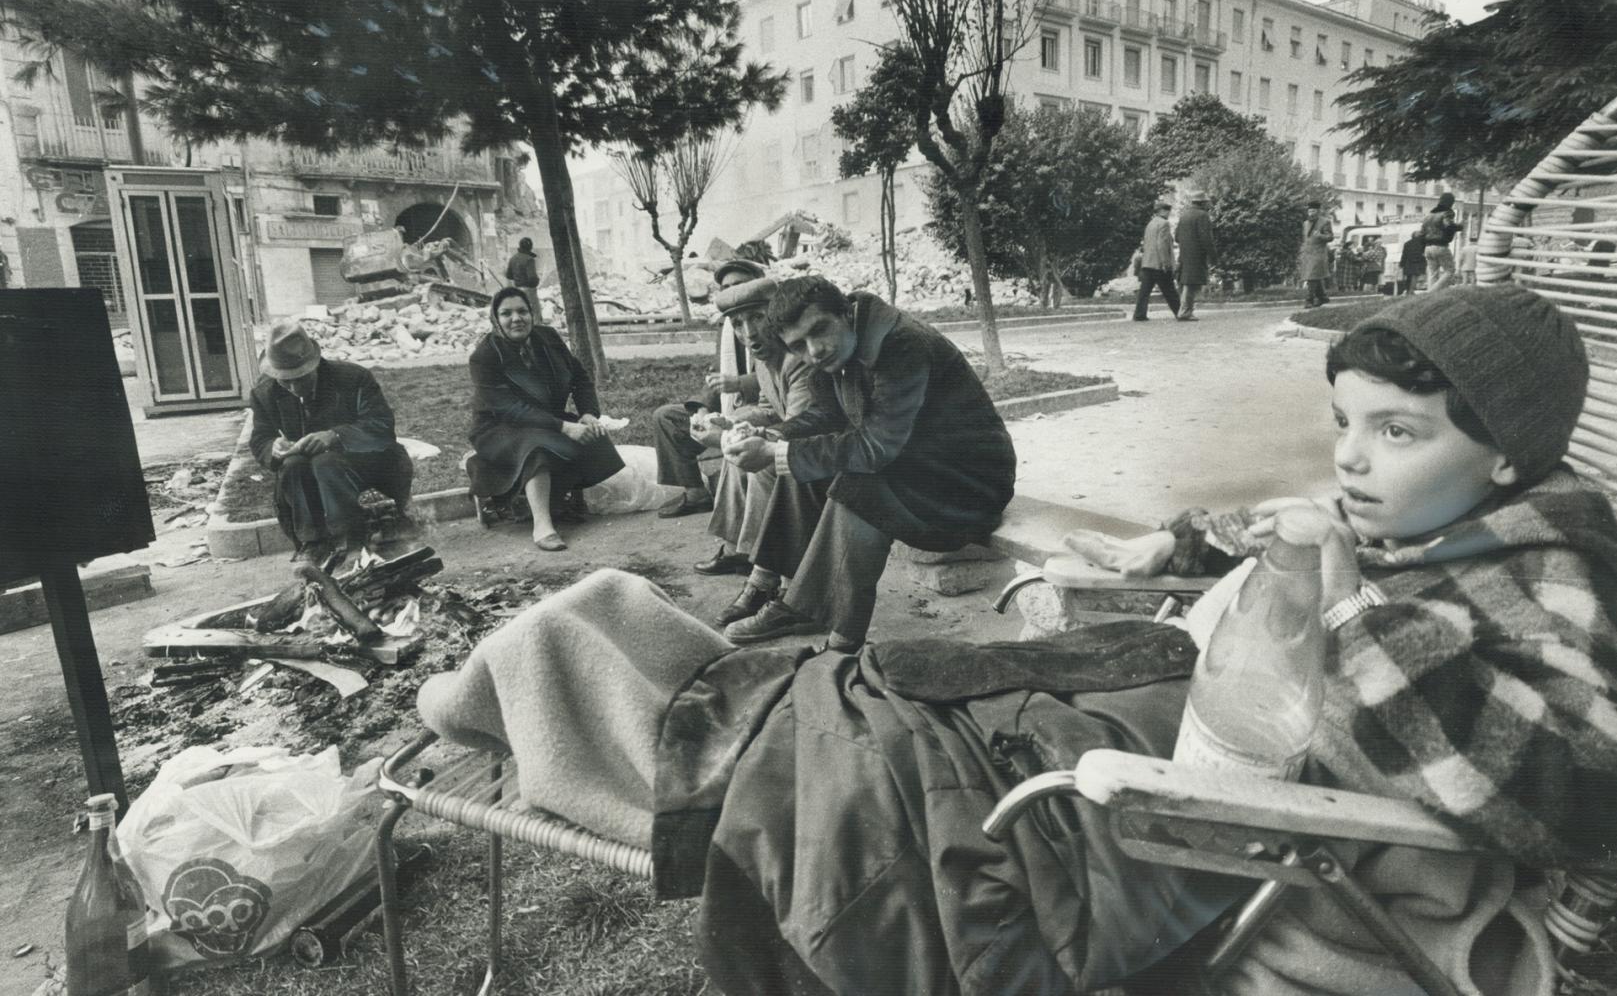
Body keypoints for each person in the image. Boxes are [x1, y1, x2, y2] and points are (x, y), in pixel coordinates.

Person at [419, 284, 1615, 996]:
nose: (1350, 458)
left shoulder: (1544, 579)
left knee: (841, 748)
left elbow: (1578, 796)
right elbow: (1294, 542)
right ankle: (605, 655)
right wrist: (1191, 545)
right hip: (1153, 706)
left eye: (1396, 435)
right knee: (817, 683)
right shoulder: (1448, 529)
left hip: (1172, 804)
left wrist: (1343, 602)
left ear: (1509, 457)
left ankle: (565, 686)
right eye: (1343, 422)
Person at [719, 276, 1017, 648]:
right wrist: (775, 436)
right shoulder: (840, 347)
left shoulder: (901, 343)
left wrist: (780, 453)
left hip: (970, 485)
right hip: (919, 470)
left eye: (820, 330)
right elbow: (826, 415)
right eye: (799, 345)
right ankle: (778, 589)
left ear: (845, 311)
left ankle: (843, 639)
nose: (815, 351)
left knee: (857, 482)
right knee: (801, 461)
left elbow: (878, 448)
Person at [697, 277, 818, 628]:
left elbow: (803, 424)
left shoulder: (797, 357)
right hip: (801, 442)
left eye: (757, 318)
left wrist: (747, 435)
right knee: (739, 450)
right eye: (738, 323)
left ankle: (764, 579)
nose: (748, 332)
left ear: (777, 314)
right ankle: (743, 552)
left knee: (763, 464)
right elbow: (767, 407)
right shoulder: (765, 357)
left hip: (827, 452)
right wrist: (729, 421)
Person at [466, 287, 623, 551]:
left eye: (522, 311)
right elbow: (511, 409)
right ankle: (543, 524)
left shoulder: (547, 338)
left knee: (593, 437)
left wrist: (587, 414)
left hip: (544, 420)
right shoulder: (484, 357)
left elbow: (580, 378)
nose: (516, 318)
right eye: (506, 313)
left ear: (532, 313)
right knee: (536, 449)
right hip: (498, 428)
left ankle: (560, 499)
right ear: (496, 319)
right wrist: (563, 427)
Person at [248, 320, 413, 566]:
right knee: (292, 464)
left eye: (300, 377)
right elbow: (260, 436)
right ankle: (313, 542)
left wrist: (335, 436)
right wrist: (272, 446)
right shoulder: (265, 392)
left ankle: (351, 538)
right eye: (285, 380)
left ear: (314, 364)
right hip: (308, 473)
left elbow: (381, 425)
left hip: (370, 463)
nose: (293, 387)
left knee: (326, 462)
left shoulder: (352, 378)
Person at [650, 259, 768, 519]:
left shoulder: (774, 319)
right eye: (725, 287)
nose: (731, 292)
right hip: (732, 404)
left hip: (767, 407)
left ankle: (734, 493)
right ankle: (696, 493)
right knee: (667, 417)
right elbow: (719, 375)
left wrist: (740, 384)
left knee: (739, 424)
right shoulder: (727, 326)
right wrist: (702, 408)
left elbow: (783, 373)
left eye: (739, 285)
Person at [1133, 198, 1181, 321]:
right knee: (1169, 290)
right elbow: (1162, 245)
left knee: (1144, 291)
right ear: (1160, 211)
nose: (1168, 213)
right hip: (1159, 264)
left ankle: (1139, 314)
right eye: (1166, 210)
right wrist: (1166, 263)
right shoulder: (1164, 224)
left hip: (1148, 262)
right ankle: (1180, 312)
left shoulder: (1150, 224)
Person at [1174, 187, 1216, 321]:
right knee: (1191, 284)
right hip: (1196, 254)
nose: (1208, 205)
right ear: (1202, 203)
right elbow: (1206, 239)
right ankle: (1185, 312)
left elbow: (1176, 237)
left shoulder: (1184, 215)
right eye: (1206, 202)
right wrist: (1212, 255)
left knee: (1185, 282)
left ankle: (1184, 310)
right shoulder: (1202, 216)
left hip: (1184, 254)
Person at [1421, 192, 1462, 291]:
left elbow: (1422, 232)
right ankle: (1431, 293)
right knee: (1450, 271)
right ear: (1450, 202)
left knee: (1433, 273)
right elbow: (1448, 225)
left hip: (1428, 247)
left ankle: (1431, 297)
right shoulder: (1447, 212)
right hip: (1441, 246)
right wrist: (1460, 226)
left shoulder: (1428, 215)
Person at [1297, 201, 1333, 308]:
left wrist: (1321, 236)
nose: (1311, 213)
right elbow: (1305, 239)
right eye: (1309, 211)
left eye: (1313, 211)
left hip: (1319, 253)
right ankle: (1323, 297)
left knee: (1311, 276)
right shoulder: (1305, 223)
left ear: (1318, 211)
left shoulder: (1325, 222)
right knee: (1314, 276)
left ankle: (1309, 299)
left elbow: (1330, 237)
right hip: (1307, 253)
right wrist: (1302, 251)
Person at [1397, 229, 1425, 295]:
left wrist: (1402, 263)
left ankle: (1408, 290)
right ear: (1416, 235)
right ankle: (1411, 291)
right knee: (1414, 276)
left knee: (1409, 277)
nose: (1421, 234)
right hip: (1417, 262)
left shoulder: (1407, 243)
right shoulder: (1422, 242)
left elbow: (1404, 254)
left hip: (1408, 262)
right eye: (1419, 234)